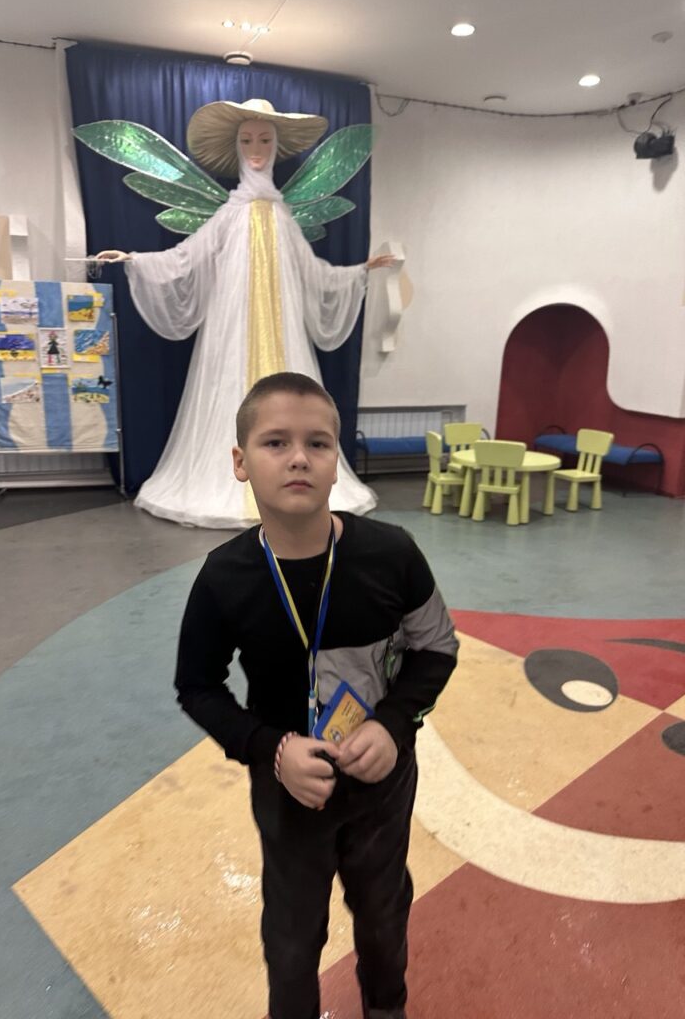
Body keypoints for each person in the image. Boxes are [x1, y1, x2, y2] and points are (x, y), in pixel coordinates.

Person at [175, 371, 458, 1019]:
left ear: (338, 462)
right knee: (293, 937)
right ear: (241, 462)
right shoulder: (224, 578)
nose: (299, 457)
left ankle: (386, 1006)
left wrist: (393, 723)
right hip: (288, 793)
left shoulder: (393, 555)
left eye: (318, 443)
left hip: (382, 784)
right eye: (276, 442)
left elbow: (437, 647)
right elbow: (197, 686)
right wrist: (270, 749)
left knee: (383, 914)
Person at [96, 99, 394, 529]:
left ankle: (289, 473)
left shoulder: (283, 216)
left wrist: (359, 271)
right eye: (248, 141)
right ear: (237, 148)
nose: (256, 149)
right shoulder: (230, 213)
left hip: (283, 326)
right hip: (231, 326)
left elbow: (312, 271)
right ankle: (238, 474)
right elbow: (187, 256)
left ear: (275, 148)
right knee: (230, 387)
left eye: (264, 140)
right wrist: (134, 260)